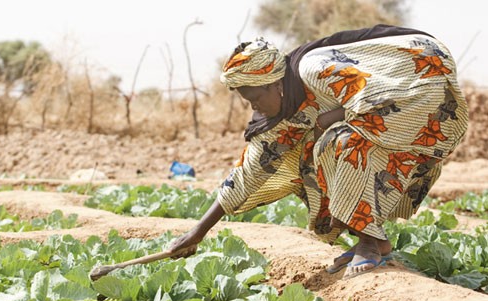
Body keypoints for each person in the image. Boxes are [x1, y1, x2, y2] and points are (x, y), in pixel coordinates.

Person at [168, 24, 468, 280]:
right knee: (310, 159)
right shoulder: (280, 115)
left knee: (338, 143)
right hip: (393, 97)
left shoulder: (315, 70)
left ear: (276, 86)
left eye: (256, 97)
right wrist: (197, 232)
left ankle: (369, 242)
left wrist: (329, 117)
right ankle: (376, 241)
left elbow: (377, 95)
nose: (254, 107)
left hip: (424, 78)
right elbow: (249, 171)